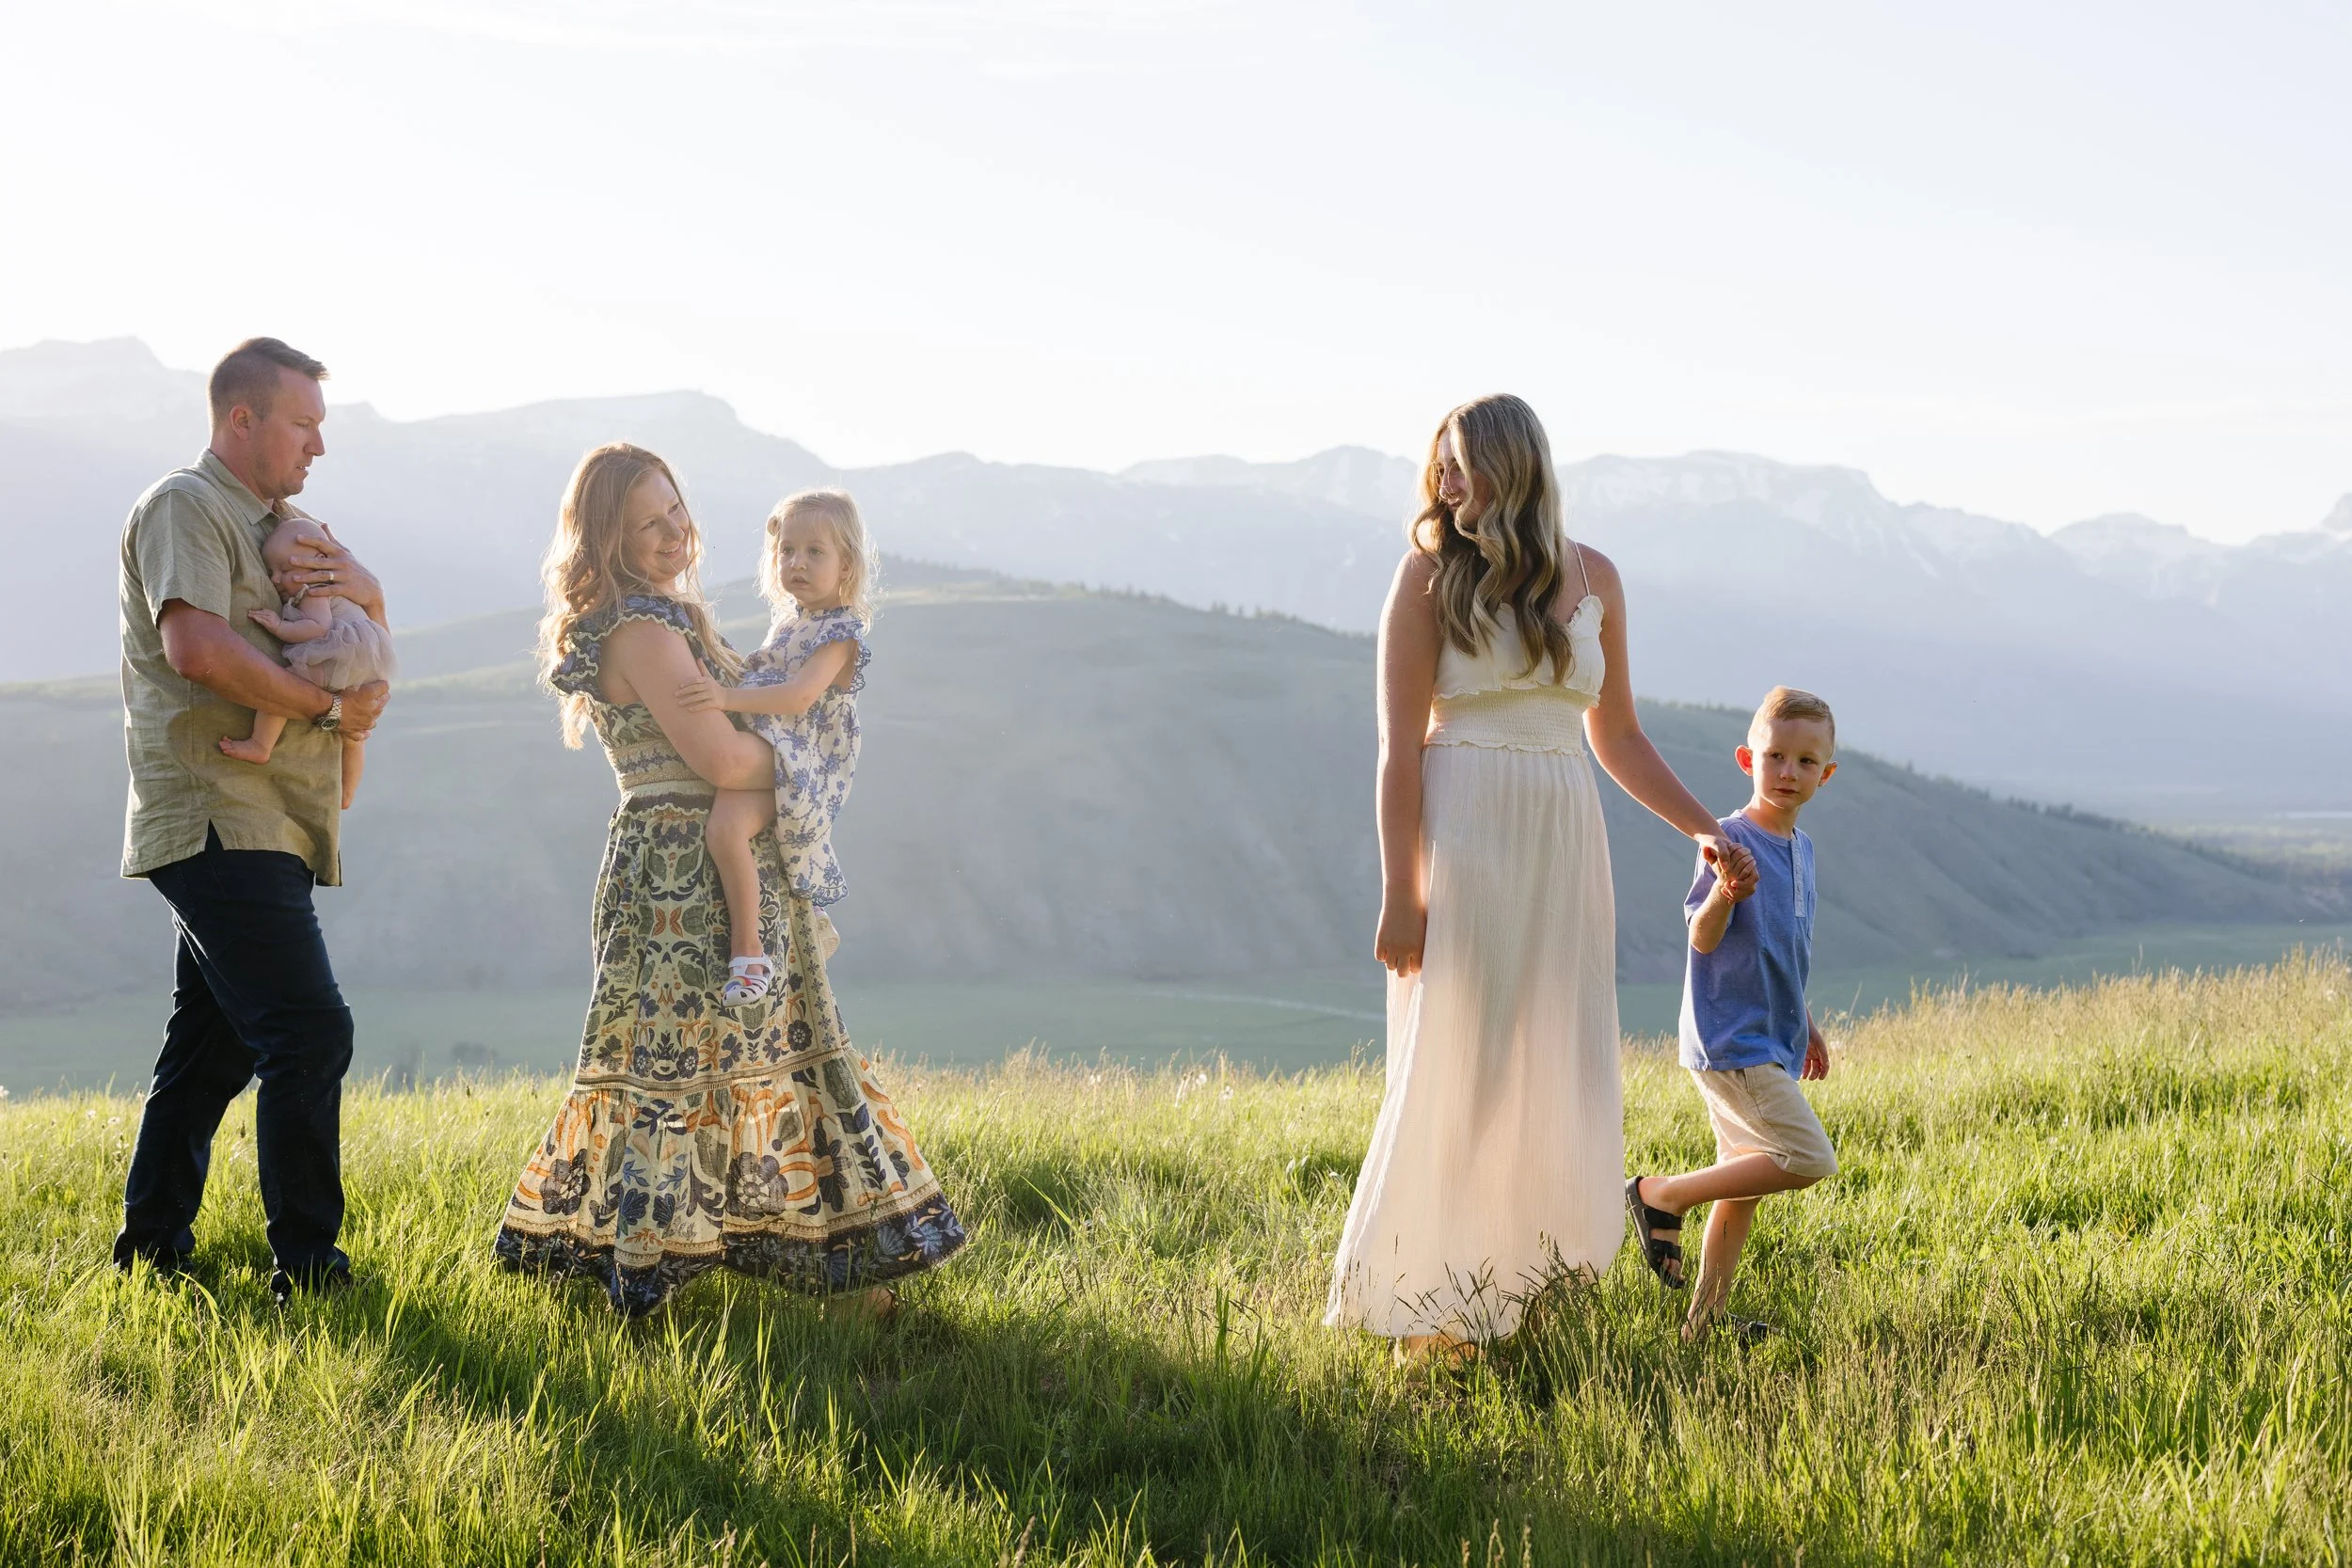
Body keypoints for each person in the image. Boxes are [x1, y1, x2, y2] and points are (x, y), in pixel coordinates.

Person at [1324, 393, 1757, 1360]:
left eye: (1459, 462)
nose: (1443, 481)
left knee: (1552, 1059)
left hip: (1563, 835)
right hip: (1464, 830)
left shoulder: (1596, 575)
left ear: (1511, 462)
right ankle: (1428, 1312)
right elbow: (1397, 751)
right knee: (1463, 1061)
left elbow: (1621, 735)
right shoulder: (1427, 573)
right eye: (1438, 465)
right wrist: (1401, 892)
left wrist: (1704, 829)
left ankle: (1522, 1288)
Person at [492, 444, 964, 1317]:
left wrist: (786, 752)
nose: (675, 532)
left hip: (711, 860)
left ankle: (830, 1276)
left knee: (758, 1061)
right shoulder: (640, 629)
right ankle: (653, 1277)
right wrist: (811, 765)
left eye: (677, 510)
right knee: (678, 1076)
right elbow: (721, 758)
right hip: (680, 876)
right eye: (649, 523)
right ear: (608, 538)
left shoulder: (668, 616)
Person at [112, 337, 391, 1302]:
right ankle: (309, 1270)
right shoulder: (186, 506)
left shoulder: (291, 526)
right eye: (302, 423)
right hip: (217, 809)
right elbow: (194, 646)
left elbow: (364, 620)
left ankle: (149, 1249)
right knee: (310, 1030)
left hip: (276, 813)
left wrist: (364, 613)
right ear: (242, 418)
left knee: (216, 1042)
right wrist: (324, 706)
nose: (318, 445)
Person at [1626, 687, 1840, 1340]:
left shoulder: (1802, 850)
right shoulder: (1729, 840)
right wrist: (1726, 890)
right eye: (1775, 756)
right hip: (1731, 1038)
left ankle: (1704, 1322)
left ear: (1826, 774)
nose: (1788, 772)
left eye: (1806, 761)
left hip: (1770, 1035)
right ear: (1748, 759)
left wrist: (1804, 1021)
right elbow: (1702, 936)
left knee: (1740, 1188)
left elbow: (1780, 947)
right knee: (1808, 1157)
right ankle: (1660, 1194)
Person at [675, 489, 873, 1006]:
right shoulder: (790, 623)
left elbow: (800, 695)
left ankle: (758, 952)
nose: (797, 563)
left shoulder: (840, 633)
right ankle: (752, 952)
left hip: (802, 759)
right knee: (724, 830)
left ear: (846, 565)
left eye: (815, 552)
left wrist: (725, 698)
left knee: (731, 816)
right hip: (770, 747)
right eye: (787, 551)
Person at [217, 511, 399, 808]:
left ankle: (260, 744)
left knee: (287, 684)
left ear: (316, 563)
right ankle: (347, 793)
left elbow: (317, 628)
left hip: (343, 653)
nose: (275, 579)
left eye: (285, 570)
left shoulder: (314, 589)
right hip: (368, 659)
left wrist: (279, 626)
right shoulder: (339, 585)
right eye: (271, 571)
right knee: (355, 735)